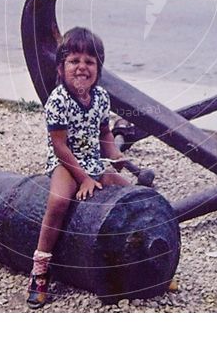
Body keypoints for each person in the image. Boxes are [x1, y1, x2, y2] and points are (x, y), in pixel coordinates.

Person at [27, 27, 130, 309]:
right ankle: (40, 270)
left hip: (94, 161)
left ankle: (135, 259)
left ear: (98, 68)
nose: (82, 67)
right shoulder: (57, 101)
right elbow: (60, 146)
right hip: (66, 162)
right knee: (59, 202)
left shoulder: (101, 99)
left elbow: (105, 133)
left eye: (89, 61)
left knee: (131, 195)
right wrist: (83, 178)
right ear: (61, 68)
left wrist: (116, 156)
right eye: (74, 61)